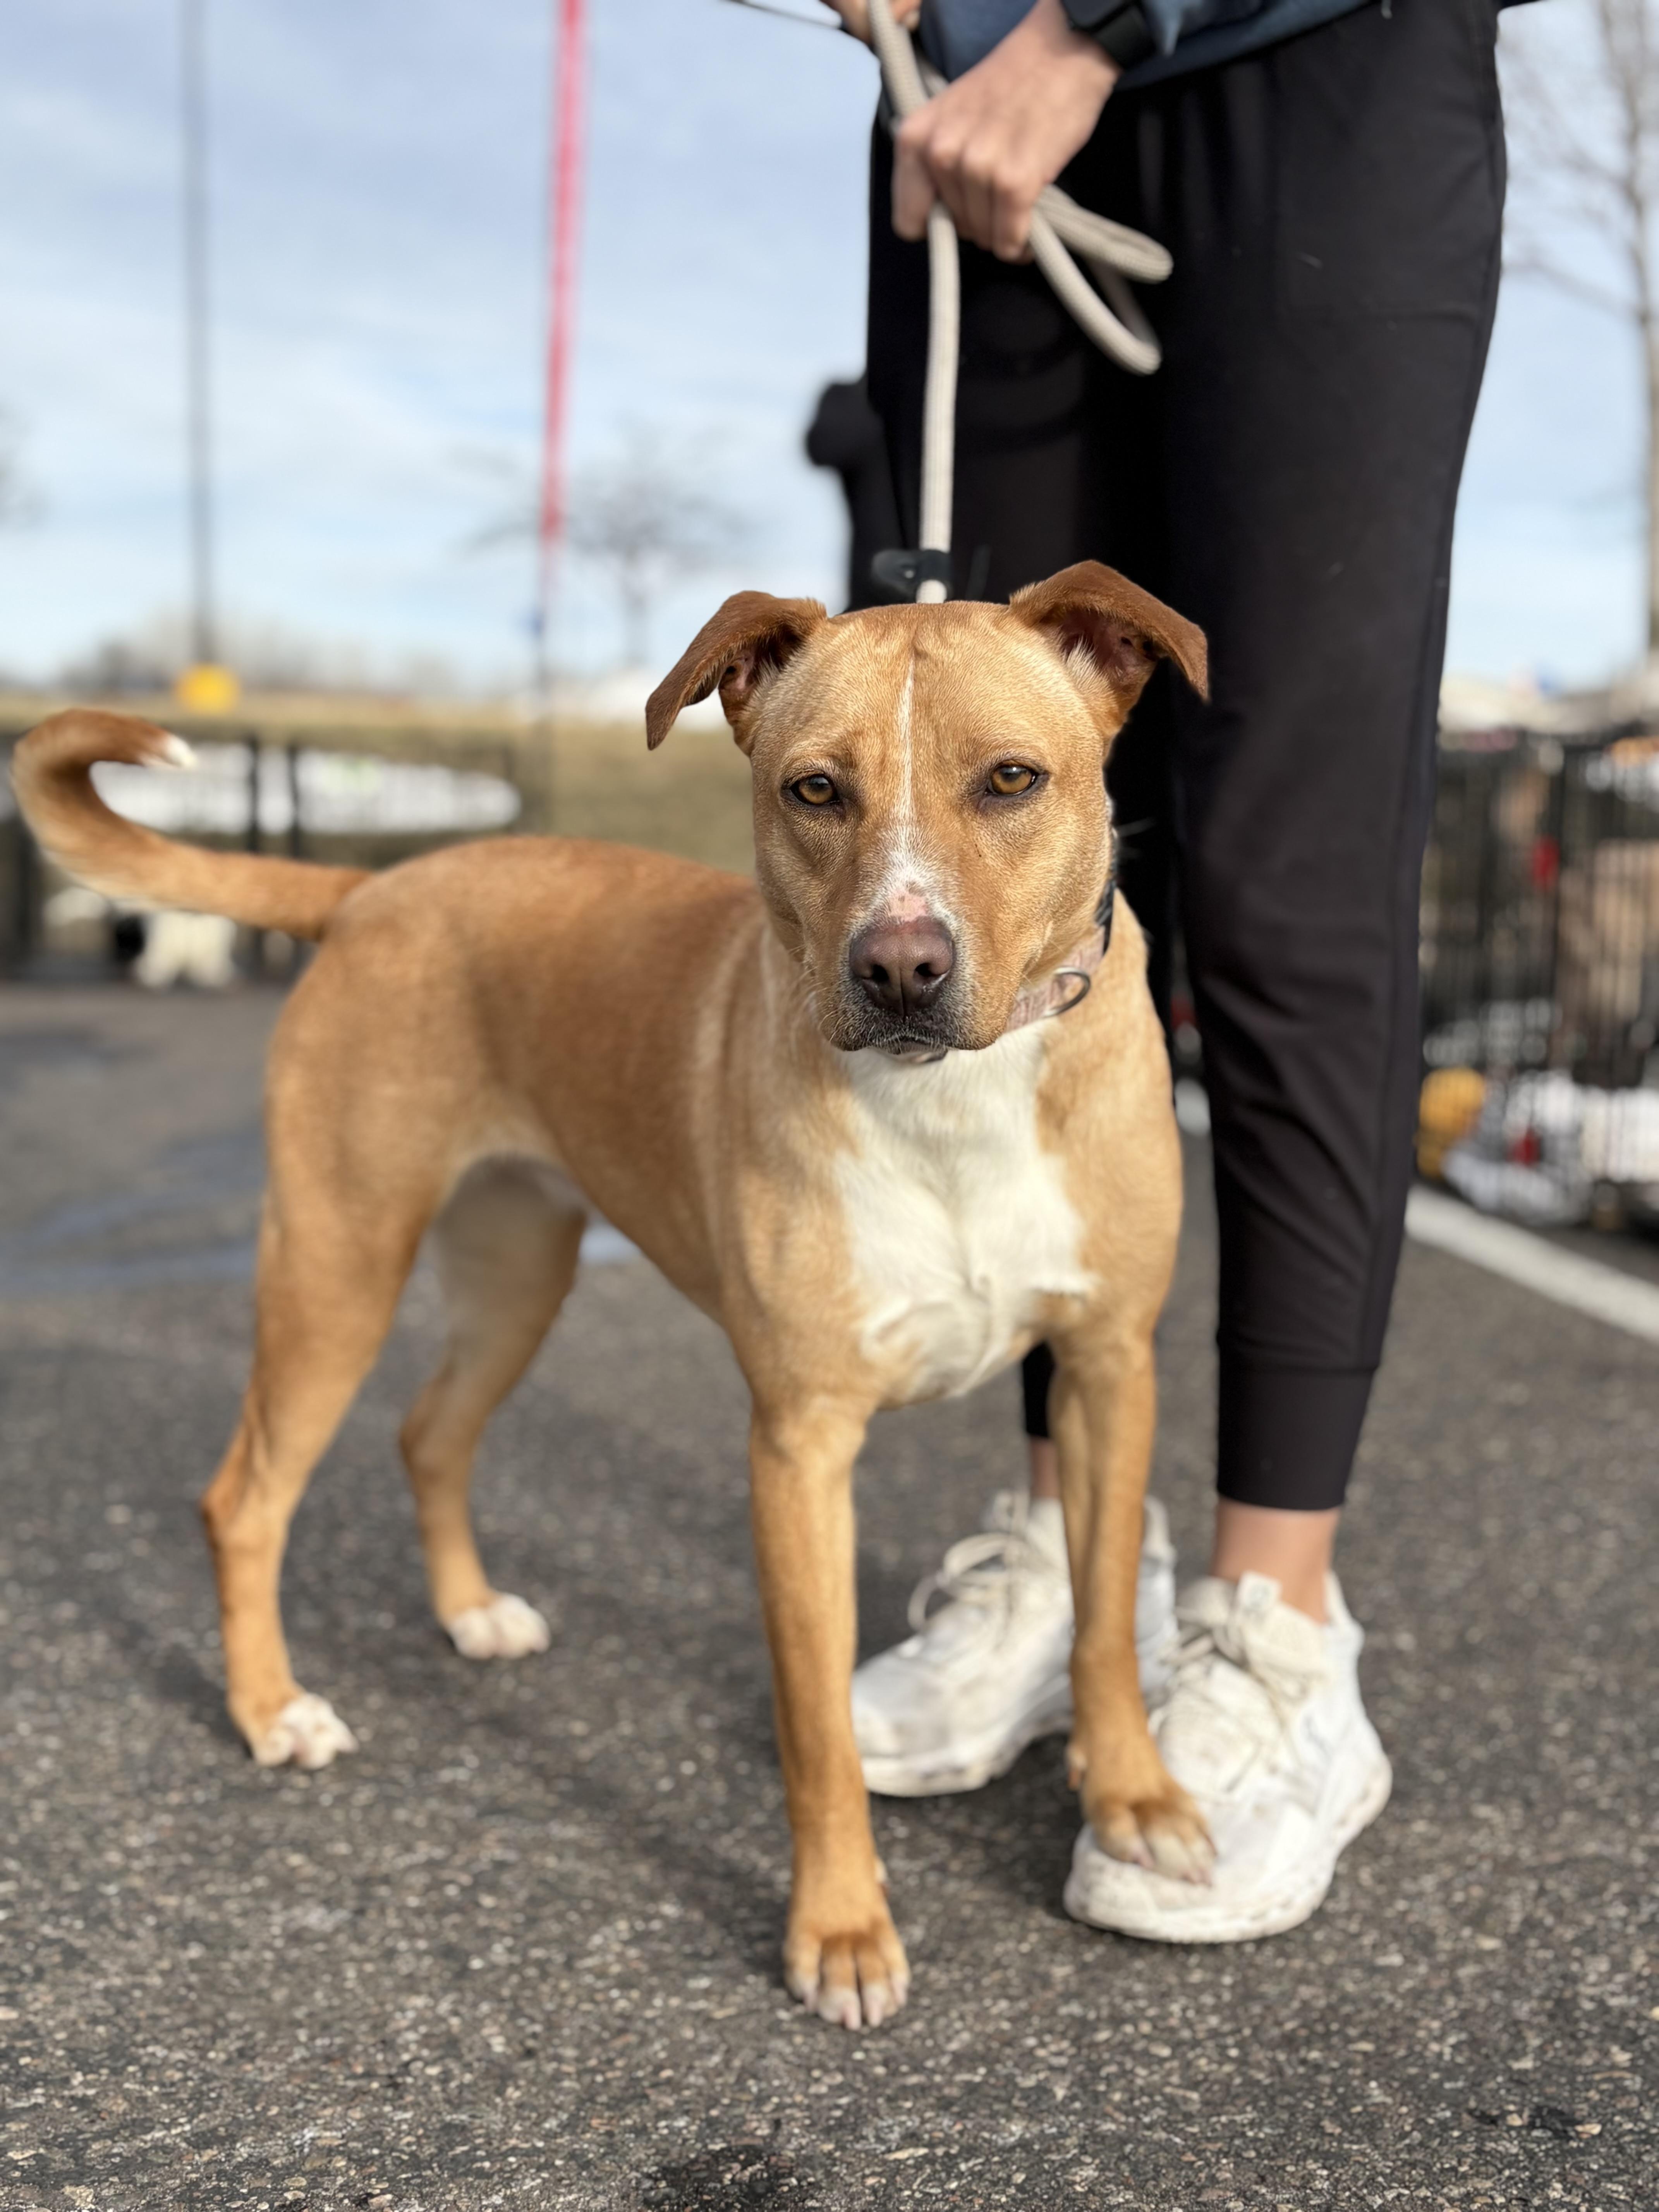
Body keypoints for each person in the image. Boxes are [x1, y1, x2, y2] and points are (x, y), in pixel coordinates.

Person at [819, 0, 1512, 1941]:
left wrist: (1092, 27)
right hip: (963, 104)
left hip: (1319, 77)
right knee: (1014, 871)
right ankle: (1068, 1548)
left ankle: (1280, 1623)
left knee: (1287, 869)